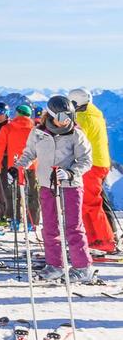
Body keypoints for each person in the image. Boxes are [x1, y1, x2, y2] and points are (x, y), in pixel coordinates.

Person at [12, 95, 97, 283]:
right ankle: (55, 265)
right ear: (50, 116)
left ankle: (83, 267)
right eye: (61, 117)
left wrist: (70, 173)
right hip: (46, 185)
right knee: (50, 226)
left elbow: (86, 161)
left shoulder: (76, 134)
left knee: (73, 226)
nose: (65, 121)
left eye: (68, 116)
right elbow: (29, 153)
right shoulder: (38, 132)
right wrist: (19, 166)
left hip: (70, 186)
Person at [69, 88, 116, 256]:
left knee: (90, 203)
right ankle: (93, 238)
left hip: (91, 164)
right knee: (91, 202)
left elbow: (76, 141)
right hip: (101, 162)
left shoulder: (82, 118)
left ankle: (104, 241)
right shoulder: (96, 115)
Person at [0, 104, 40, 226]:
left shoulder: (8, 128)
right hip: (32, 166)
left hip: (13, 166)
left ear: (18, 113)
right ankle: (32, 222)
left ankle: (14, 220)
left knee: (14, 194)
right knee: (32, 194)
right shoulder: (35, 128)